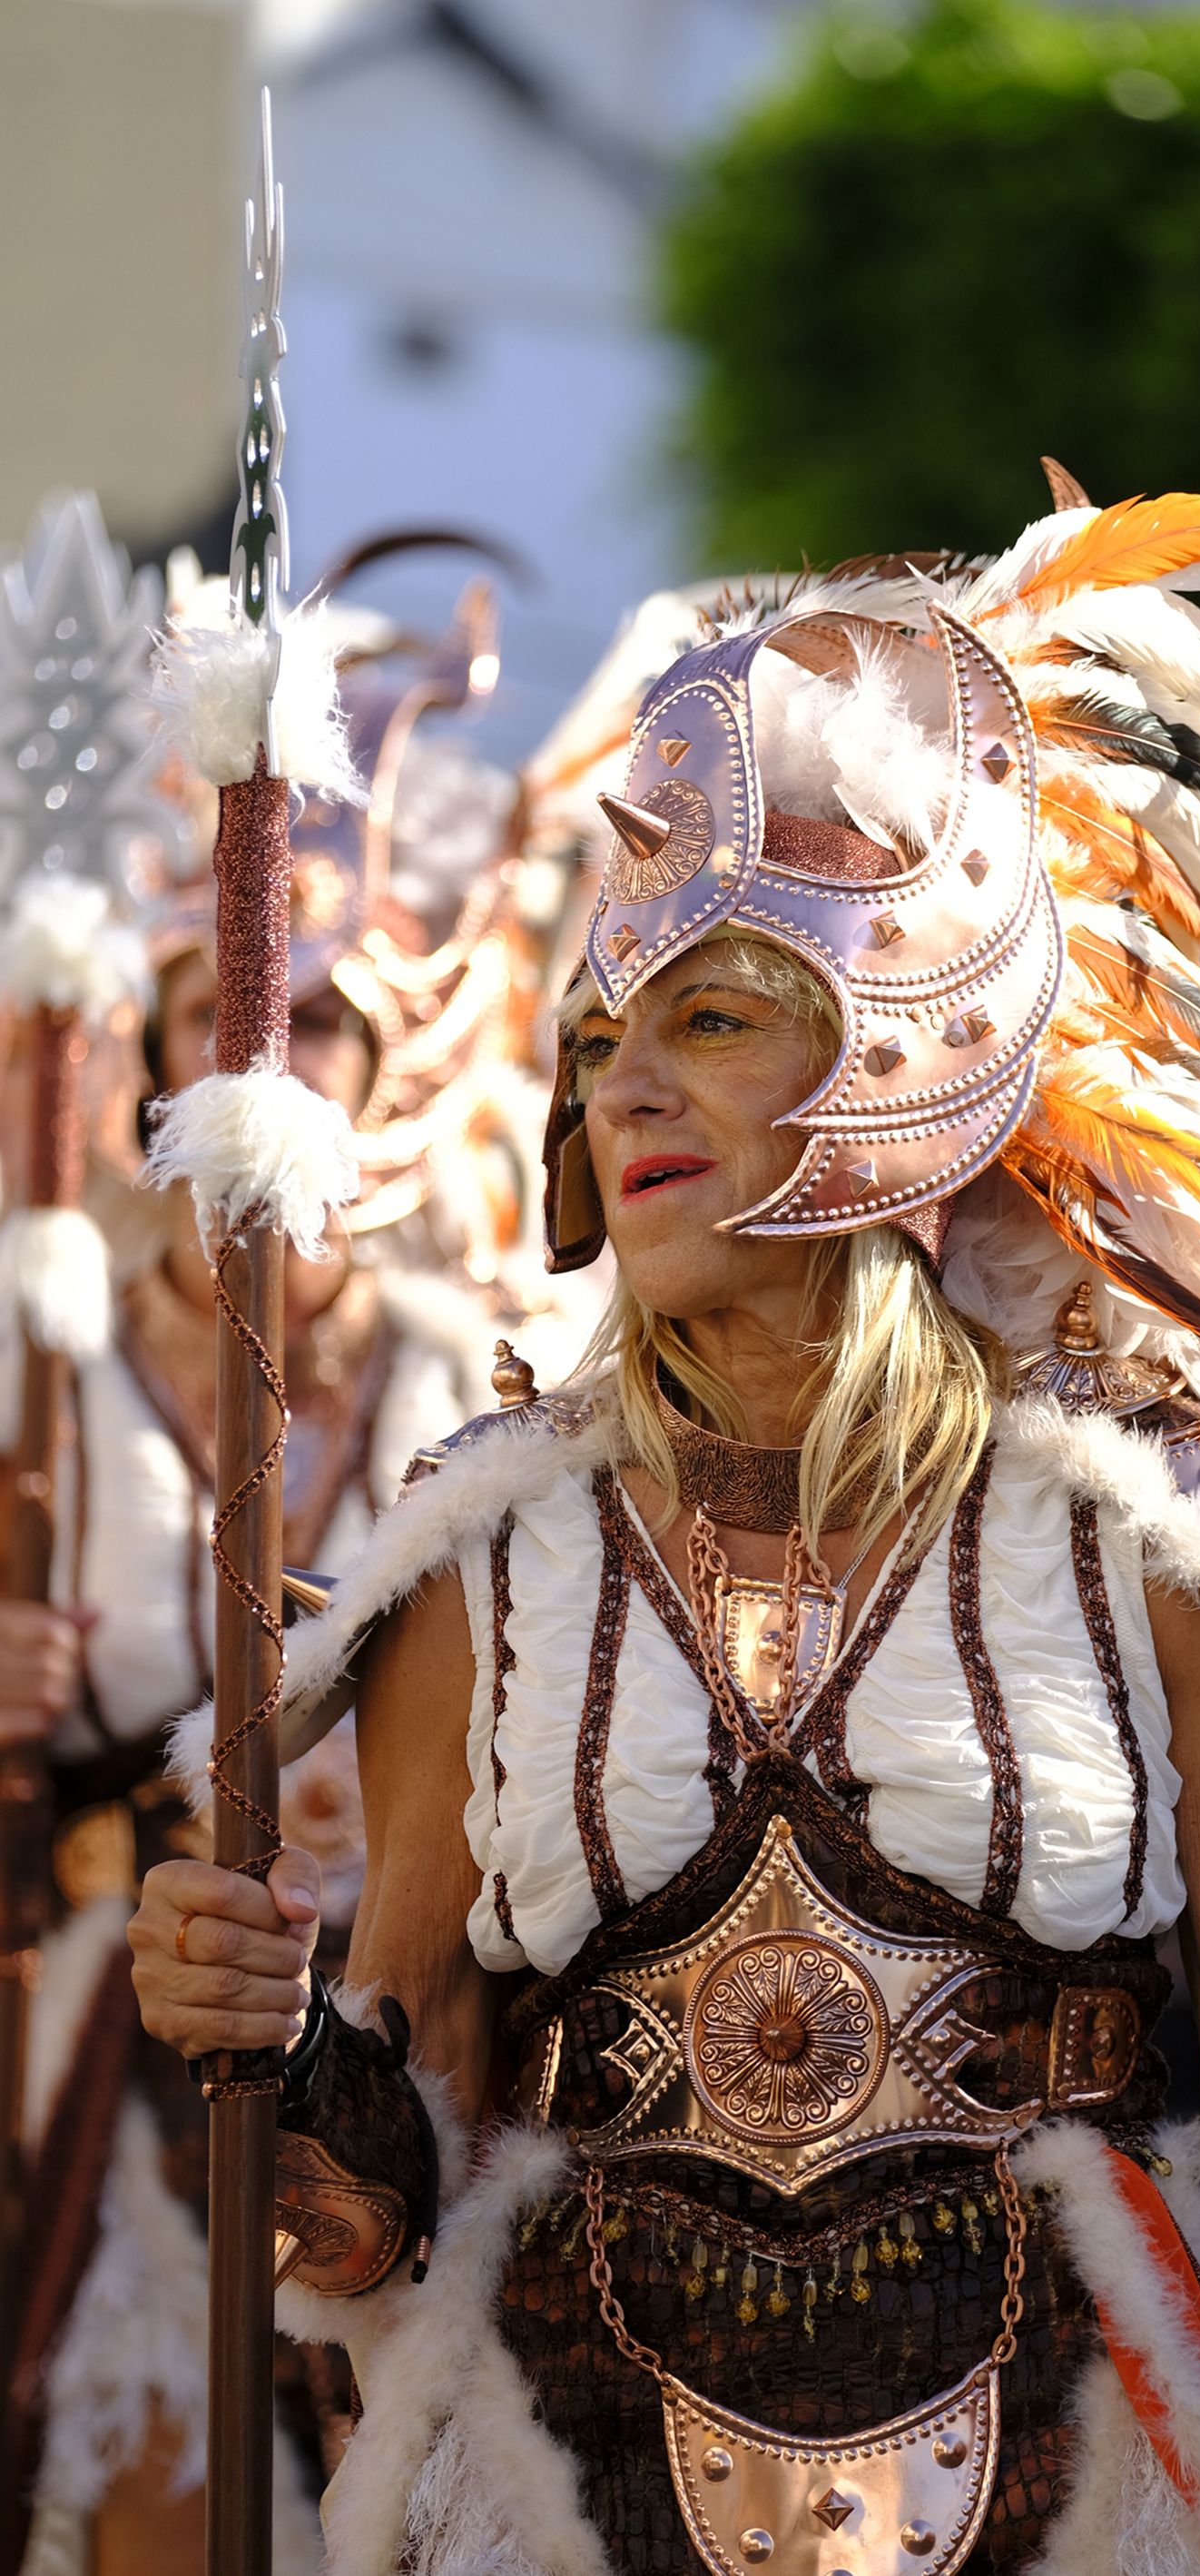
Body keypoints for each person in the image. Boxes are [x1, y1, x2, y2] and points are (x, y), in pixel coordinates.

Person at [131, 487, 1200, 2576]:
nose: (625, 1091)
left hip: (1082, 2485)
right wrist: (267, 2038)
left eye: (711, 1020)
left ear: (897, 1055)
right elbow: (397, 2166)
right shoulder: (478, 1561)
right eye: (601, 1046)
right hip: (571, 2492)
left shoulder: (1150, 1542)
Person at [3, 557, 591, 2576]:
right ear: (159, 1058)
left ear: (384, 1060)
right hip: (122, 2032)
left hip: (416, 2045)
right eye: (229, 1009)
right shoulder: (43, 1362)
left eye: (326, 1017)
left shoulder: (483, 1367)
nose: (279, 1049)